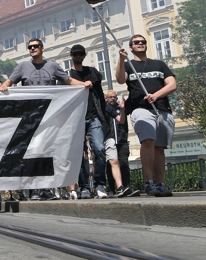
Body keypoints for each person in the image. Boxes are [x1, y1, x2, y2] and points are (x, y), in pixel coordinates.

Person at [0, 39, 87, 201]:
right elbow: (9, 81)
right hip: (30, 117)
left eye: (35, 46)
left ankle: (45, 189)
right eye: (30, 47)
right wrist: (4, 86)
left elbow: (68, 81)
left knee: (46, 151)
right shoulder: (23, 67)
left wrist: (84, 84)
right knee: (34, 151)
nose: (32, 49)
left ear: (42, 48)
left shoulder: (53, 66)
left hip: (50, 116)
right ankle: (34, 189)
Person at [116, 35, 177, 197]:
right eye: (136, 42)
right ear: (131, 47)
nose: (140, 44)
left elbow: (172, 84)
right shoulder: (129, 65)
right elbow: (121, 79)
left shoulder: (159, 64)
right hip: (140, 108)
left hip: (162, 109)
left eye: (143, 42)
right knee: (148, 140)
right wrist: (121, 61)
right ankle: (149, 182)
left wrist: (156, 95)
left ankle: (160, 183)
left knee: (159, 148)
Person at [68, 44, 111, 199]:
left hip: (93, 117)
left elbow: (95, 81)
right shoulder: (67, 76)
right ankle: (85, 187)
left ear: (84, 55)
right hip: (76, 120)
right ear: (71, 55)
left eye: (81, 54)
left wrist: (104, 118)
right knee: (79, 155)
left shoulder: (92, 72)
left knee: (99, 149)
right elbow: (64, 84)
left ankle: (100, 184)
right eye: (75, 54)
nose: (78, 56)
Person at [104, 90, 138, 197]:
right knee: (111, 164)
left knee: (124, 163)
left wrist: (123, 108)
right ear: (106, 99)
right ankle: (112, 189)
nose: (113, 99)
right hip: (109, 139)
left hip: (122, 140)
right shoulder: (104, 109)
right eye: (111, 97)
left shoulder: (120, 108)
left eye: (115, 97)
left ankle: (127, 187)